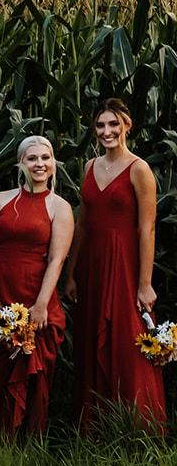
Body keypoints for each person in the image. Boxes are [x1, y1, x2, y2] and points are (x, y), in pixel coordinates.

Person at [62, 97, 164, 432]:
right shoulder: (89, 167)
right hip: (92, 264)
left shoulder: (139, 169)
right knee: (91, 337)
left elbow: (147, 228)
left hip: (124, 265)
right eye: (100, 125)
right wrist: (71, 273)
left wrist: (144, 283)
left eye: (113, 124)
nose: (107, 131)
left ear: (126, 126)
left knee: (126, 337)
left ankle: (137, 425)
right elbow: (83, 224)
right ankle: (94, 424)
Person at [0, 136, 73, 434]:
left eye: (45, 158)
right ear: (20, 163)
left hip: (35, 300)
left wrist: (41, 305)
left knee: (30, 377)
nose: (40, 164)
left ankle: (26, 445)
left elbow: (56, 259)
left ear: (53, 164)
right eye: (32, 158)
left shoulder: (60, 207)